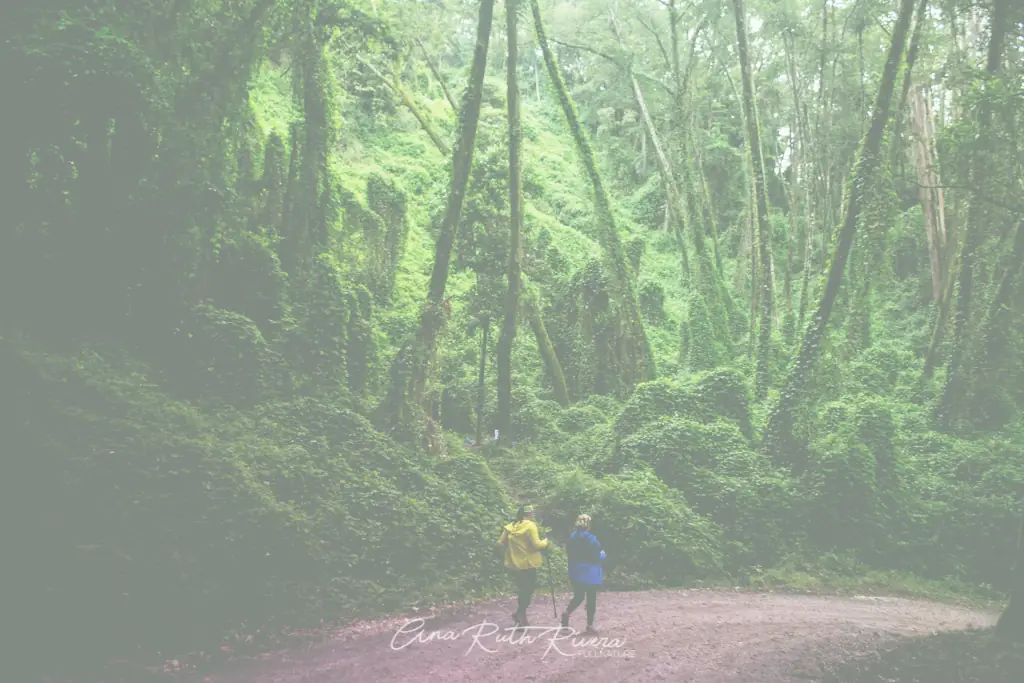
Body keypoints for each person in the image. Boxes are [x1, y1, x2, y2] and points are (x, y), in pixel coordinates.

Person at [497, 505, 549, 627]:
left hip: (514, 564)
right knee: (528, 590)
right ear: (529, 514)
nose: (533, 515)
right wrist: (546, 542)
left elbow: (500, 543)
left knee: (523, 590)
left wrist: (508, 552)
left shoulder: (510, 526)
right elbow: (537, 545)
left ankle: (521, 615)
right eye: (532, 513)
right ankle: (520, 614)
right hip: (528, 564)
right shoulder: (530, 526)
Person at [560, 513, 605, 634]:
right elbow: (596, 557)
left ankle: (566, 613)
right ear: (588, 525)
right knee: (591, 598)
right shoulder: (592, 540)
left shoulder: (572, 538)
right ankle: (589, 625)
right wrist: (603, 555)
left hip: (575, 571)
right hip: (590, 574)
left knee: (578, 596)